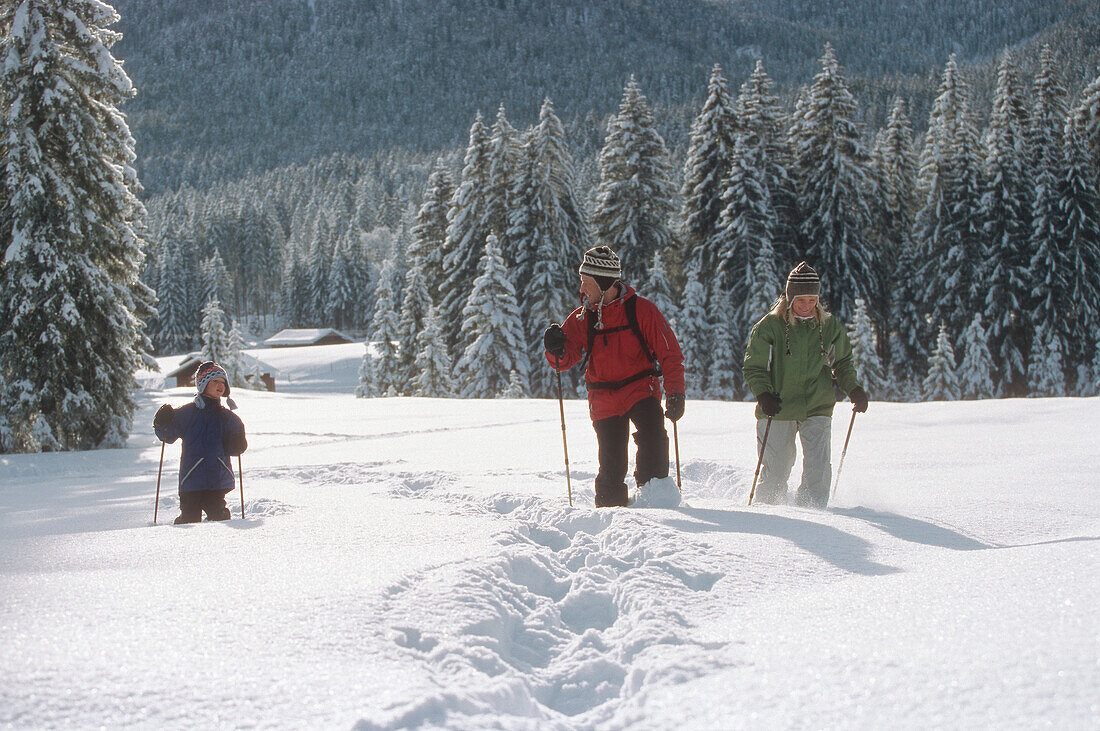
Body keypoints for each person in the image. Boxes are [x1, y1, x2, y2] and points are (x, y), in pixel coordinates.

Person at [543, 245, 686, 507]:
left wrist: (676, 392)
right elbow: (562, 362)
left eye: (587, 282)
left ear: (604, 282)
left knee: (653, 440)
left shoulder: (642, 310)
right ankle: (611, 516)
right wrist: (555, 348)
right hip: (603, 399)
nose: (582, 290)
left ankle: (655, 503)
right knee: (611, 466)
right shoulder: (581, 318)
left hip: (640, 390)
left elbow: (670, 353)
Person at [742, 262, 868, 509]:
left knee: (818, 469)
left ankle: (812, 515)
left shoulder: (828, 326)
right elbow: (754, 367)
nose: (807, 306)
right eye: (801, 300)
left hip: (817, 404)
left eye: (812, 300)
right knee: (777, 469)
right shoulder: (769, 326)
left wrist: (853, 388)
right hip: (778, 406)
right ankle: (768, 513)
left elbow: (842, 362)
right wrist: (764, 393)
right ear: (789, 298)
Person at [153, 361, 248, 524]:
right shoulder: (187, 413)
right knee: (189, 520)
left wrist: (239, 443)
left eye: (223, 382)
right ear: (203, 384)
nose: (220, 386)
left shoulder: (228, 418)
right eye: (215, 382)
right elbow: (167, 436)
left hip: (217, 480)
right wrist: (162, 423)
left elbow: (236, 448)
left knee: (220, 517)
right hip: (191, 480)